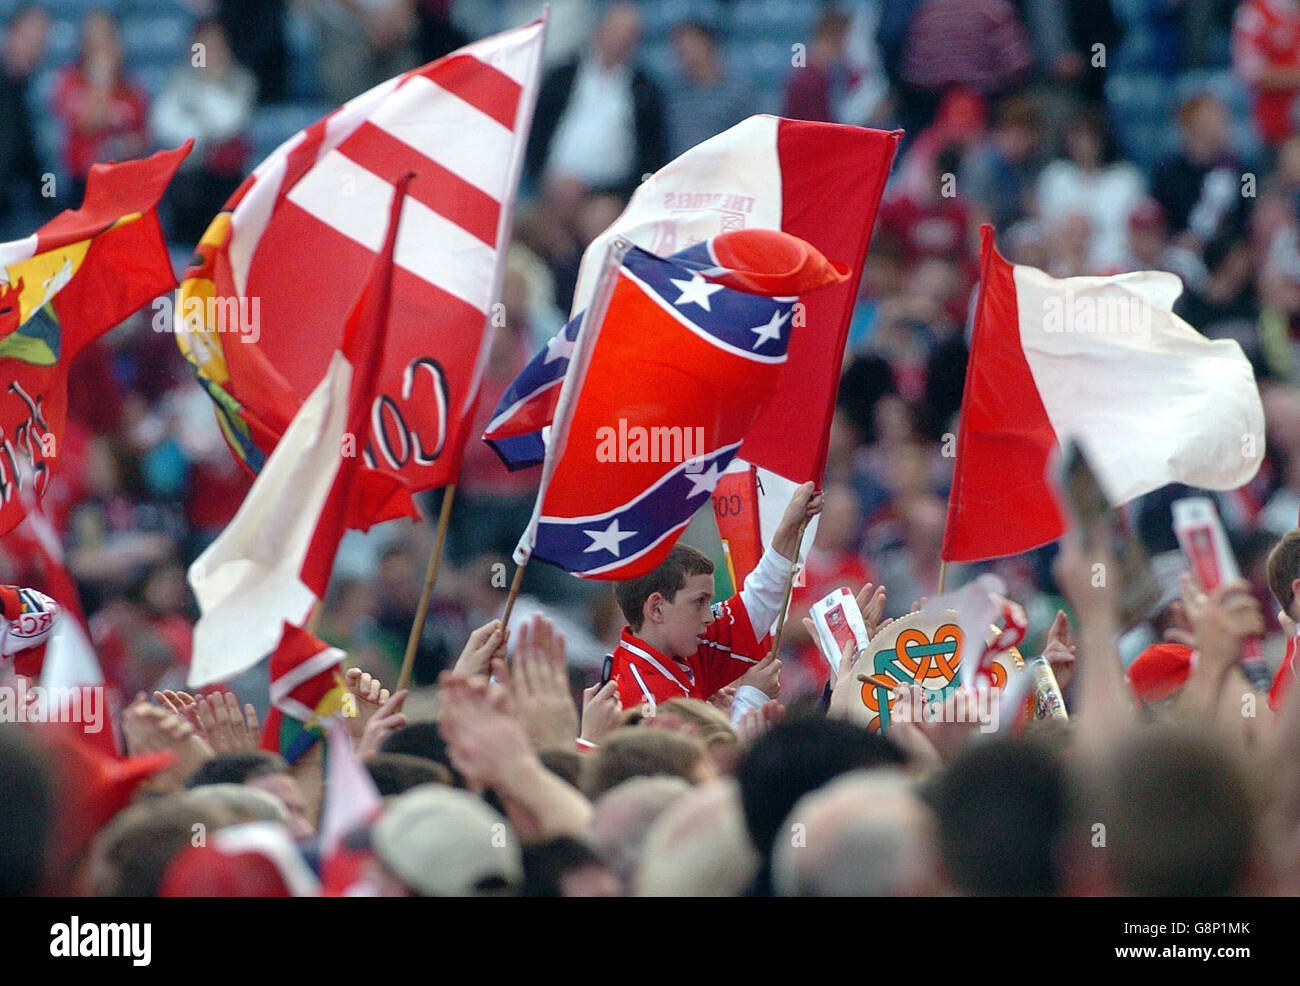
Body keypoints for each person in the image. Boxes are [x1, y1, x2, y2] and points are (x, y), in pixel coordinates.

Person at [607, 482, 822, 710]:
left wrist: (790, 527)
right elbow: (712, 748)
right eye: (699, 602)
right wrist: (750, 696)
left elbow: (758, 601)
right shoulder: (641, 697)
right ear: (657, 609)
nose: (708, 616)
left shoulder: (683, 645)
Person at [526, 2, 667, 198]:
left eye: (628, 35)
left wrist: (630, 191)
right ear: (600, 30)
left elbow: (652, 151)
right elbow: (536, 130)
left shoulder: (645, 90)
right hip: (553, 183)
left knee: (600, 218)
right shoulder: (562, 76)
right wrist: (540, 174)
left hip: (611, 191)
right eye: (615, 31)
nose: (619, 40)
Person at [150, 19, 257, 245]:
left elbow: (230, 122)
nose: (211, 52)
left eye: (216, 45)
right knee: (180, 190)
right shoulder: (179, 79)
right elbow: (164, 123)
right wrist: (201, 125)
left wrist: (204, 93)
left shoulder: (242, 80)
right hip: (189, 181)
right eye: (203, 45)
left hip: (225, 180)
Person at [51, 11, 148, 205]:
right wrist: (101, 80)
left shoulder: (130, 87)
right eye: (94, 39)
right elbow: (86, 123)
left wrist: (129, 144)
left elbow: (143, 136)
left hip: (122, 183)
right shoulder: (70, 81)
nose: (100, 46)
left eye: (106, 37)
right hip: (82, 183)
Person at [663, 19, 754, 158]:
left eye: (692, 46)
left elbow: (749, 136)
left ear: (709, 45)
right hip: (680, 170)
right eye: (681, 49)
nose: (686, 54)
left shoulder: (738, 91)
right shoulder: (669, 92)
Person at [0, 4, 50, 237]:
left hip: (19, 206)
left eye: (41, 40)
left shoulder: (32, 92)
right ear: (12, 34)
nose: (35, 46)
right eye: (29, 37)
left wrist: (49, 200)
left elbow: (41, 164)